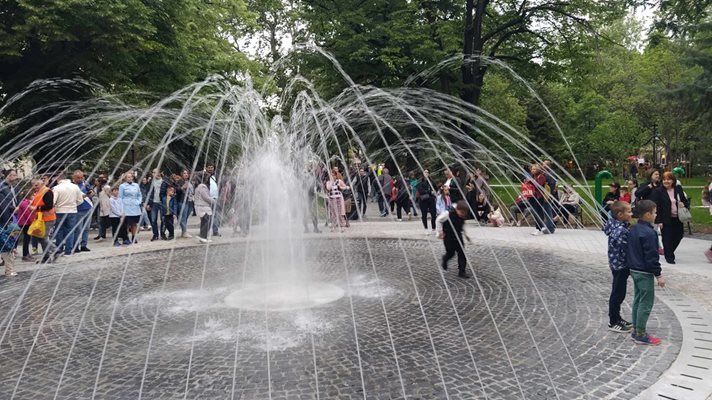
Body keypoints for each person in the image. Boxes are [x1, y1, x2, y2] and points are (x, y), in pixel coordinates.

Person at [627, 199, 665, 345]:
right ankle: (640, 334)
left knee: (638, 299)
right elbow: (652, 257)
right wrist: (659, 275)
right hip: (644, 272)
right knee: (646, 302)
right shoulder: (649, 233)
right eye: (655, 212)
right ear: (648, 214)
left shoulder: (634, 228)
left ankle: (636, 329)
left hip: (634, 269)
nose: (656, 215)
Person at [603, 201, 633, 333]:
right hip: (620, 265)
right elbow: (627, 247)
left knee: (620, 292)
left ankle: (617, 317)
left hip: (617, 263)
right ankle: (613, 321)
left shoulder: (618, 226)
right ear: (620, 215)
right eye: (629, 211)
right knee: (617, 293)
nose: (631, 214)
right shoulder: (620, 230)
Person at [650, 171, 689, 264]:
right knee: (667, 237)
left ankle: (669, 250)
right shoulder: (658, 191)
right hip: (665, 218)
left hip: (678, 217)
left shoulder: (678, 189)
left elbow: (685, 201)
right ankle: (669, 256)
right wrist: (659, 221)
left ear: (673, 181)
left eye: (669, 179)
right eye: (664, 179)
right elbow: (656, 207)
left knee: (679, 235)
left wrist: (684, 205)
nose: (666, 181)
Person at [436, 200, 471, 279]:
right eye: (461, 213)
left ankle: (462, 271)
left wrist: (466, 235)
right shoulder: (448, 213)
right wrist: (440, 231)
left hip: (458, 236)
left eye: (464, 213)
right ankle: (445, 259)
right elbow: (438, 220)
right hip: (448, 237)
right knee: (451, 253)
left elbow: (462, 225)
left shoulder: (463, 214)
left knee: (462, 253)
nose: (463, 215)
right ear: (457, 209)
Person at [52, 172, 83, 256]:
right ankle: (69, 250)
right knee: (70, 231)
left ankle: (59, 249)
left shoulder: (56, 188)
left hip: (60, 211)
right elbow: (80, 200)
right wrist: (73, 205)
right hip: (72, 211)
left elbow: (53, 201)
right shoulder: (75, 187)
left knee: (59, 231)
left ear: (59, 179)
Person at [28, 177, 58, 263]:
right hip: (41, 218)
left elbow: (49, 205)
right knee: (40, 237)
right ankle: (46, 257)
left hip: (48, 218)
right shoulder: (39, 192)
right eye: (33, 185)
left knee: (43, 237)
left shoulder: (47, 191)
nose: (35, 186)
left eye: (36, 185)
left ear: (42, 184)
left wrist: (36, 207)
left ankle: (56, 250)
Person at [72, 170, 94, 253]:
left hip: (88, 207)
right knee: (78, 229)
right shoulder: (72, 186)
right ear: (73, 177)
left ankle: (84, 245)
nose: (80, 179)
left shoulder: (85, 184)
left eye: (81, 177)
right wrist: (86, 195)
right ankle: (75, 245)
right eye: (78, 177)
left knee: (87, 228)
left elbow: (92, 191)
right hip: (78, 209)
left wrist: (91, 193)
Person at [119, 171, 142, 245]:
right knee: (126, 223)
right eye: (128, 177)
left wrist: (138, 201)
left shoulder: (136, 185)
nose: (130, 178)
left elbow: (139, 195)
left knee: (134, 223)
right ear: (125, 178)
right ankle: (126, 237)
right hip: (126, 207)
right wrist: (122, 206)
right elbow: (120, 197)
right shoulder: (122, 186)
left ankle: (134, 236)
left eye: (131, 177)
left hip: (135, 206)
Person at [145, 168, 168, 241]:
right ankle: (155, 234)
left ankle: (162, 234)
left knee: (163, 219)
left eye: (157, 172)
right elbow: (148, 193)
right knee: (153, 220)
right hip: (153, 203)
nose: (155, 174)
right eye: (154, 172)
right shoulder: (151, 182)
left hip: (162, 202)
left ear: (160, 173)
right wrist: (148, 203)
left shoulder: (164, 181)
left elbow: (169, 191)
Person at [15, 189, 36, 262]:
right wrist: (32, 222)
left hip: (26, 223)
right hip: (25, 223)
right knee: (26, 239)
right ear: (29, 195)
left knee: (27, 238)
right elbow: (27, 214)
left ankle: (27, 253)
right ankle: (25, 255)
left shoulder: (26, 202)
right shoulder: (24, 203)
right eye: (33, 195)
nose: (34, 196)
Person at [193, 173, 214, 243]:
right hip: (203, 207)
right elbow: (205, 197)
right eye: (207, 177)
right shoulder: (202, 186)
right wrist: (213, 200)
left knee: (204, 221)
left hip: (200, 206)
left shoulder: (198, 186)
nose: (208, 179)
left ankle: (203, 237)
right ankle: (203, 236)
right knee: (208, 221)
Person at [416, 169, 437, 235]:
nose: (426, 173)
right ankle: (426, 228)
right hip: (423, 200)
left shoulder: (431, 181)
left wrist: (435, 192)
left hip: (431, 199)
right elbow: (420, 191)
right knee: (424, 215)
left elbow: (436, 188)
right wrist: (430, 192)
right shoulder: (420, 181)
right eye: (425, 172)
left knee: (433, 214)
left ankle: (433, 228)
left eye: (427, 172)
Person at [179, 169, 194, 238]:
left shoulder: (189, 181)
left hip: (190, 201)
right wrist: (182, 187)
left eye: (187, 173)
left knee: (186, 217)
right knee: (183, 217)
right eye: (184, 173)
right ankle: (184, 232)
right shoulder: (180, 181)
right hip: (182, 201)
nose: (186, 174)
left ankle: (183, 232)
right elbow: (176, 190)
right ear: (181, 174)